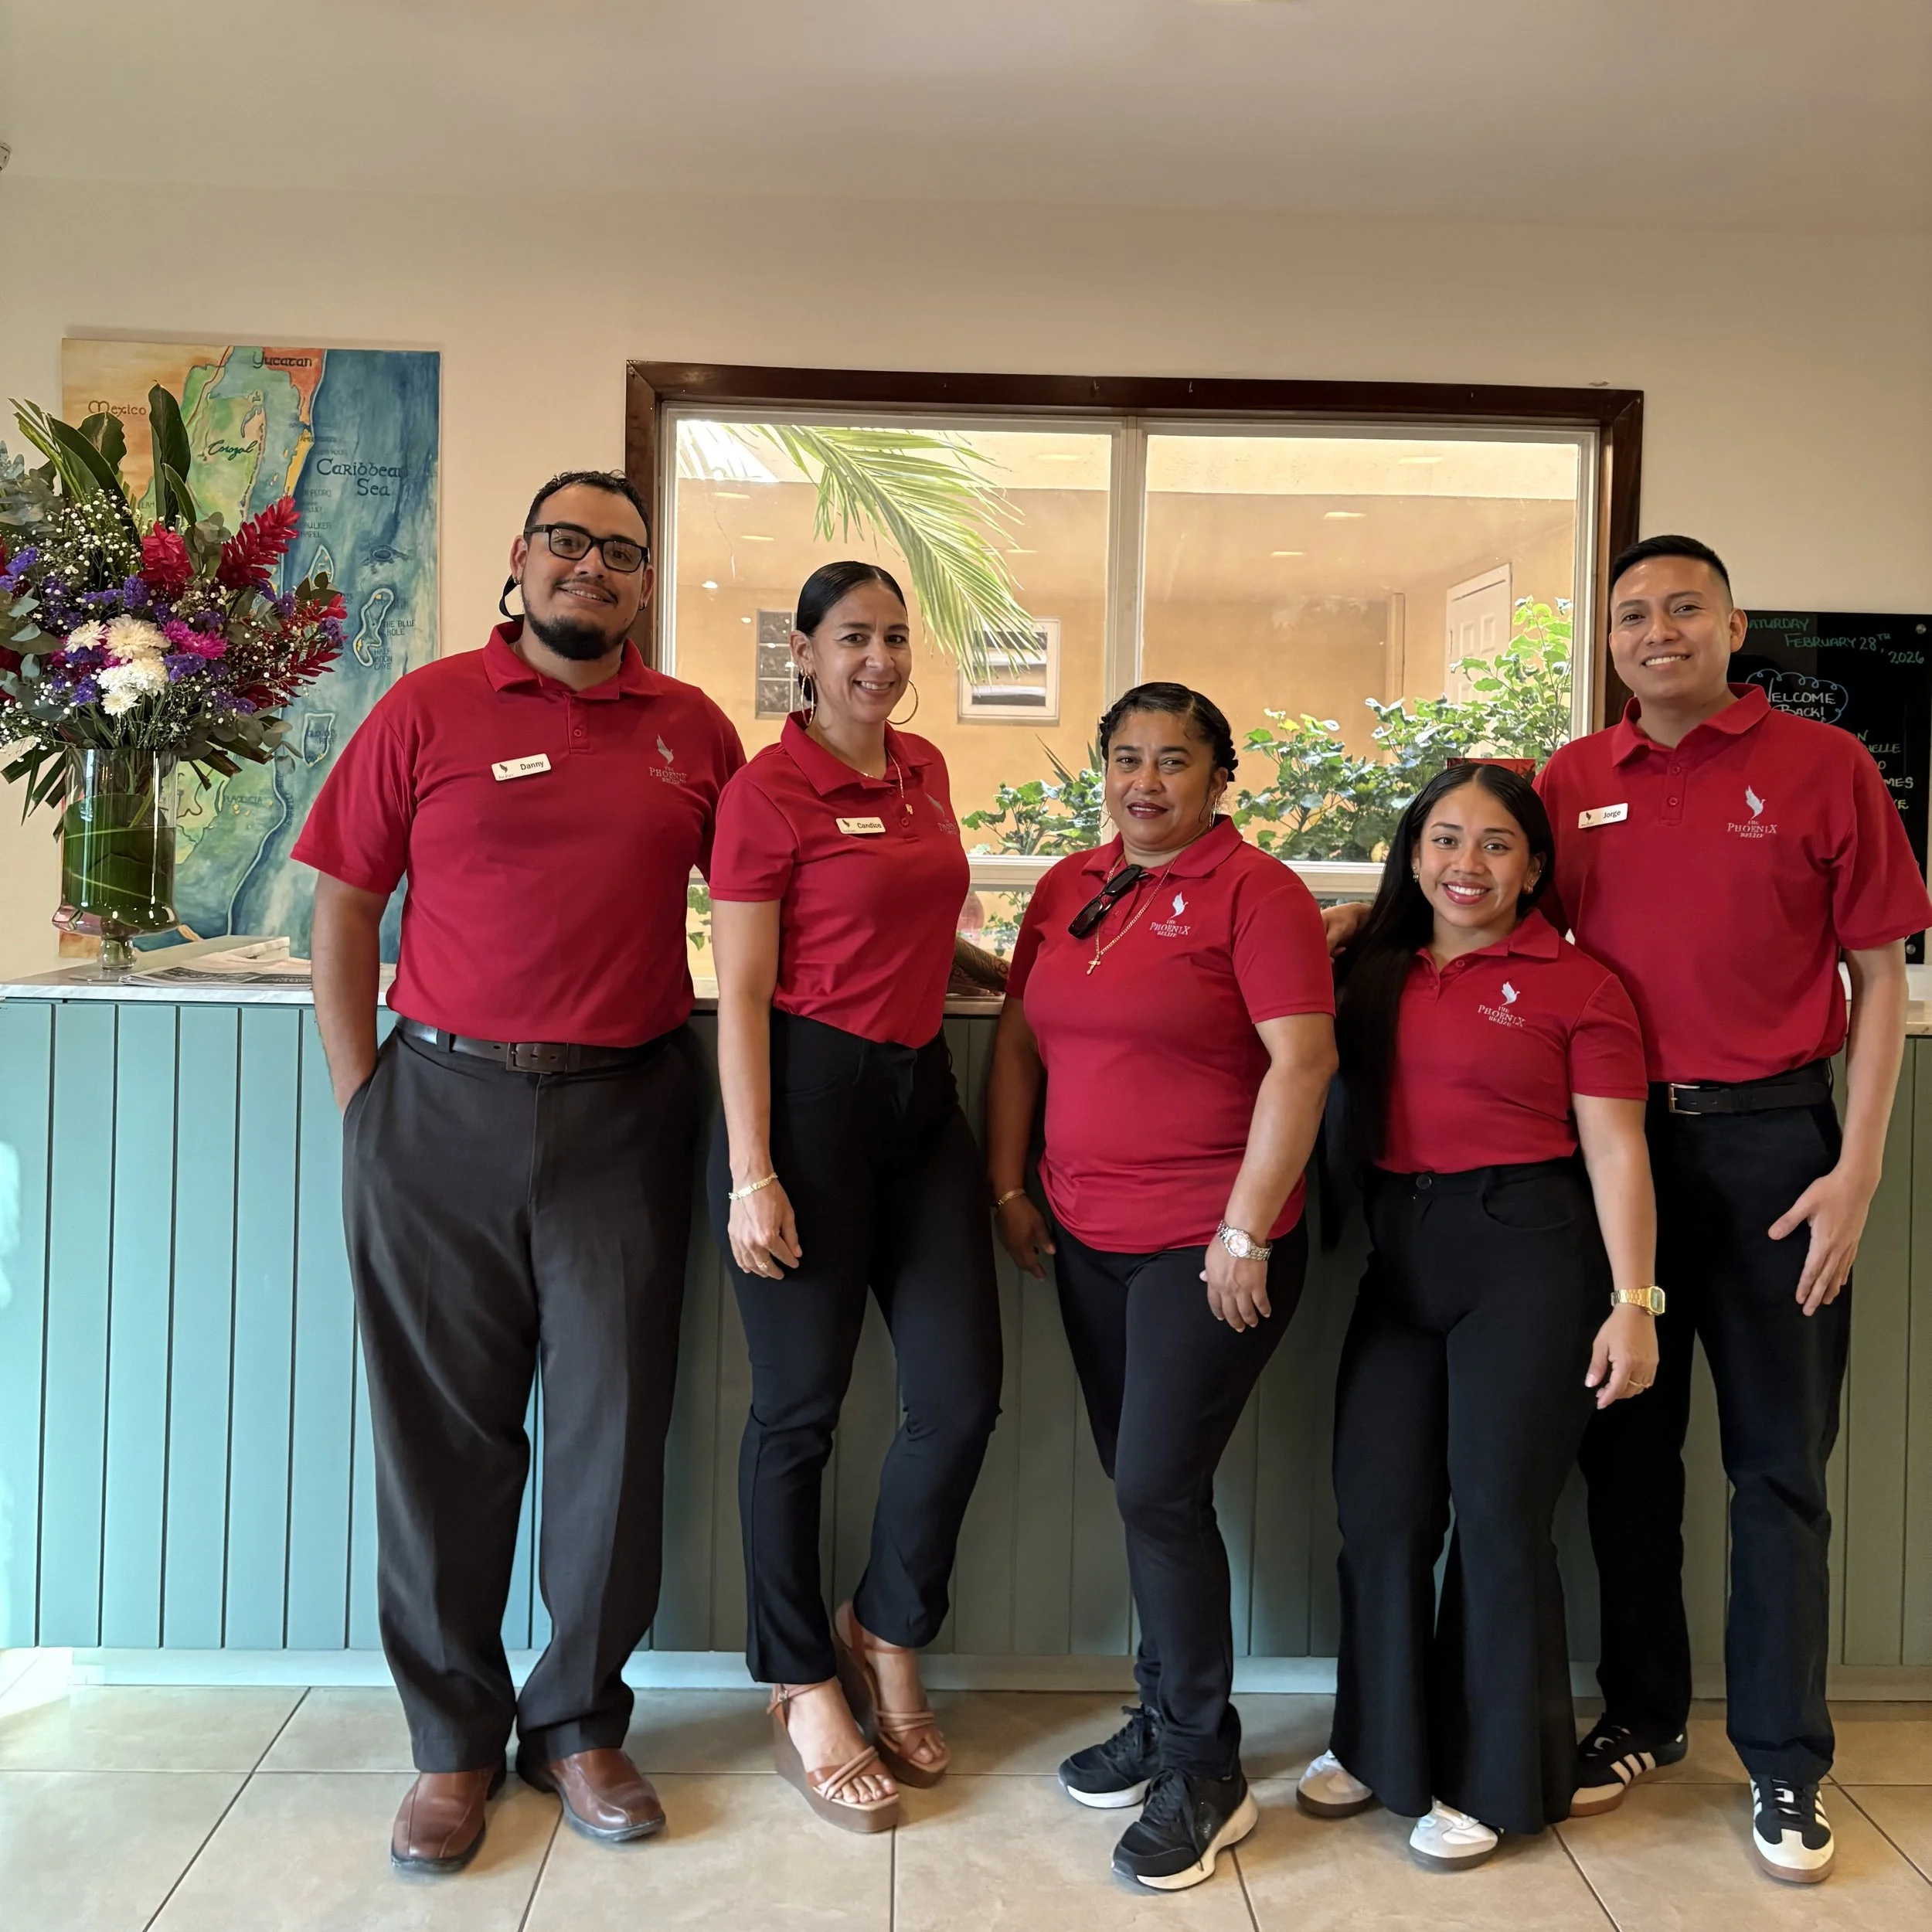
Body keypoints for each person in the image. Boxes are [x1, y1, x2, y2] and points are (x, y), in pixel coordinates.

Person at [1322, 534, 1931, 1883]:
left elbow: (1880, 978)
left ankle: (1784, 1764)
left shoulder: (1825, 769)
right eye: (1631, 614)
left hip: (1777, 1150)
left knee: (1777, 1470)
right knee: (1621, 1461)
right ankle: (1643, 1717)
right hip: (1599, 1164)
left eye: (1683, 611)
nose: (1657, 632)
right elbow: (1490, 910)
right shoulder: (1571, 781)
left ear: (1734, 625)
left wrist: (1860, 1169)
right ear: (1607, 637)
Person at [296, 471, 744, 1873]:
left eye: (621, 553)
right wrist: (362, 1095)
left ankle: (578, 1726)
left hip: (626, 1114)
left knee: (612, 1435)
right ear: (522, 561)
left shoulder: (694, 732)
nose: (592, 570)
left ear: (642, 583)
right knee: (443, 1442)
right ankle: (449, 1747)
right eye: (569, 544)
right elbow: (347, 902)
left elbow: (780, 903)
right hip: (437, 1111)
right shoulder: (425, 709)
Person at [985, 682, 1338, 1893]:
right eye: (1126, 759)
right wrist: (1010, 1190)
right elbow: (1023, 1038)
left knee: (1155, 1486)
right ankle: (1162, 1716)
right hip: (1085, 1234)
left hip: (1210, 1246)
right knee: (1145, 1495)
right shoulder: (1067, 887)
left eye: (1174, 762)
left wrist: (1244, 1231)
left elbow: (1305, 1061)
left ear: (1219, 779)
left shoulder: (1259, 895)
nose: (1146, 782)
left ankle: (1204, 1766)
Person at [1294, 762, 1658, 1870]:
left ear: (1535, 866)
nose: (1468, 864)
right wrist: (1338, 927)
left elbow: (1616, 1149)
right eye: (1445, 839)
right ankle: (1379, 1745)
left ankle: (1497, 1782)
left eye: (1496, 844)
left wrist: (1634, 1303)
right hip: (1400, 1253)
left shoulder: (1579, 982)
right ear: (1413, 854)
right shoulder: (1373, 969)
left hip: (1529, 1254)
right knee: (1384, 1510)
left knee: (1500, 1520)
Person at [706, 561, 1002, 1835]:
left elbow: (918, 920)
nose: (877, 658)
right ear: (806, 657)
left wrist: (1015, 958)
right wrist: (752, 1170)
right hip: (810, 1106)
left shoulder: (923, 769)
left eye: (893, 636)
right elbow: (745, 991)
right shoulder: (765, 793)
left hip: (921, 1100)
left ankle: (885, 1622)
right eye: (851, 639)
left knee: (959, 1396)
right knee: (799, 1413)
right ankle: (798, 1680)